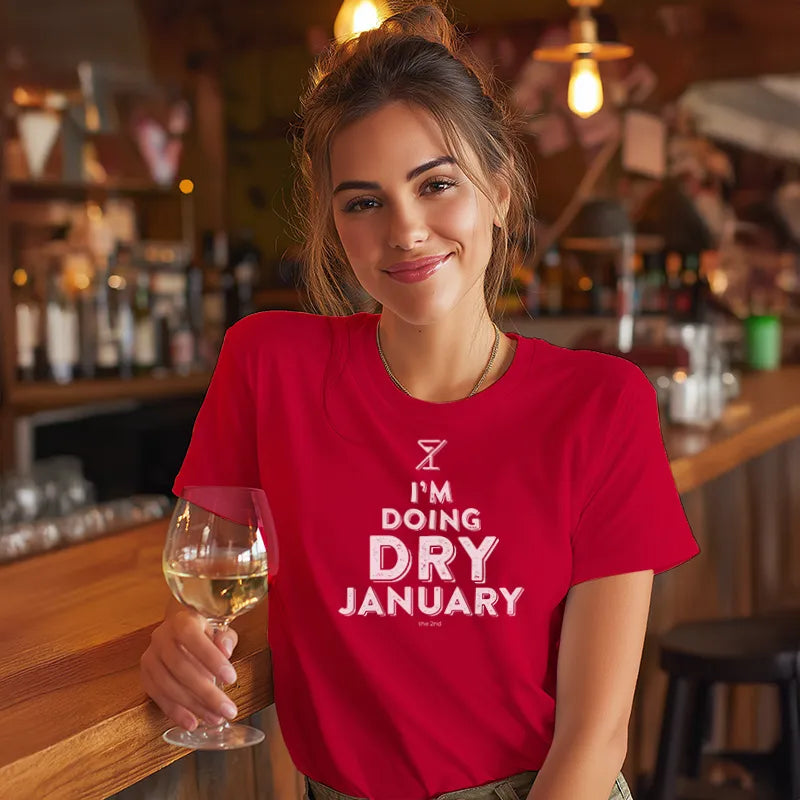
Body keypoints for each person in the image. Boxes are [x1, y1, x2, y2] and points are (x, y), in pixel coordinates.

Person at [140, 4, 700, 799]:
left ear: (500, 193)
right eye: (363, 202)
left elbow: (593, 736)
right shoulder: (268, 366)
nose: (405, 231)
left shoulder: (602, 405)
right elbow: (209, 580)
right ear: (333, 227)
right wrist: (181, 634)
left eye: (436, 185)